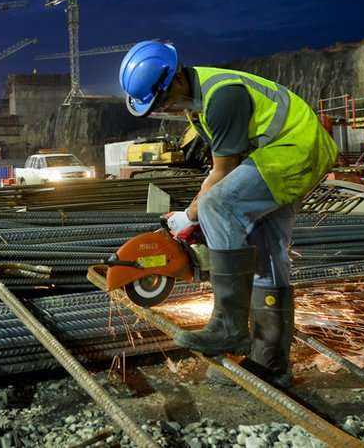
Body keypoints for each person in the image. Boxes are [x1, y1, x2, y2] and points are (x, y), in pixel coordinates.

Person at [118, 40, 337, 386]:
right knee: (266, 252)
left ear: (175, 79)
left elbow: (222, 175)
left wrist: (188, 216)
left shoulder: (222, 97)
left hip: (294, 150)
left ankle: (229, 326)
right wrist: (192, 214)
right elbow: (219, 171)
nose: (164, 109)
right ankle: (271, 364)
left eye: (162, 101)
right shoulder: (199, 102)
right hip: (283, 153)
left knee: (217, 205)